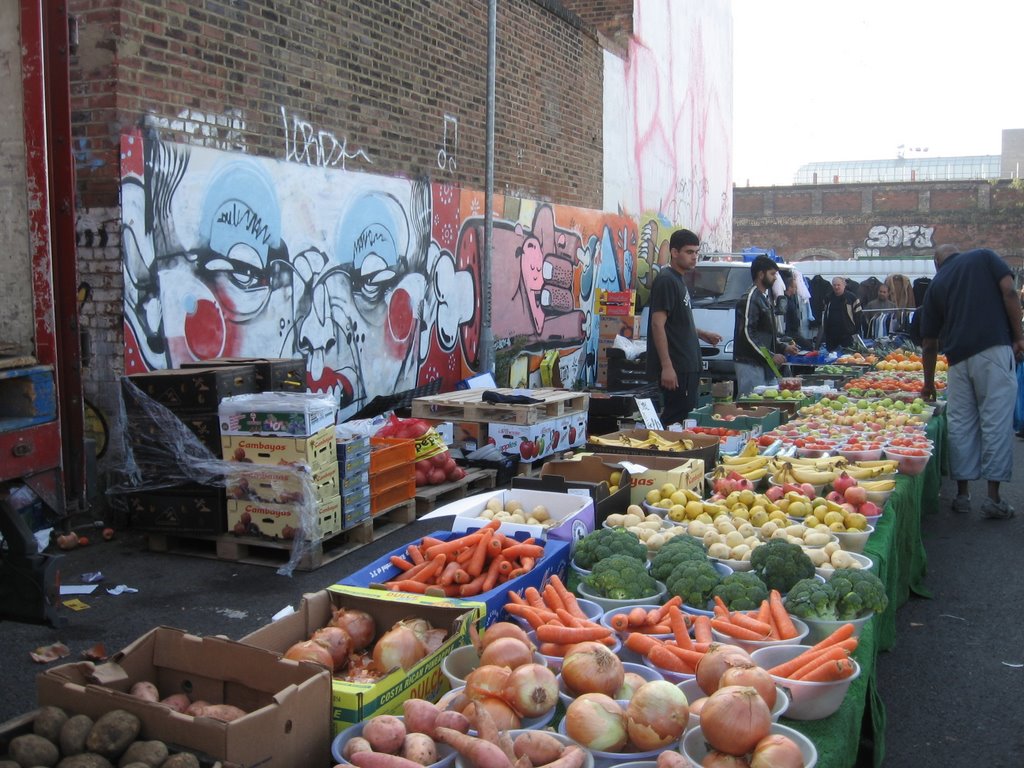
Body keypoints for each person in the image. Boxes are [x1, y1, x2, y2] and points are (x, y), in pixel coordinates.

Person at [920, 244, 1024, 519]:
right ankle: (993, 497)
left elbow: (929, 343)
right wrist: (1019, 336)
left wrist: (928, 383)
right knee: (995, 422)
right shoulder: (983, 256)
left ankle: (962, 494)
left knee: (960, 424)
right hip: (993, 350)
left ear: (936, 262)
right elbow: (1010, 292)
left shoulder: (937, 284)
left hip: (957, 361)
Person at [646, 229, 722, 426]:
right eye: (689, 252)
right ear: (674, 252)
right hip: (677, 368)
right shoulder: (666, 280)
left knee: (685, 419)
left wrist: (701, 334)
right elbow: (657, 324)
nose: (694, 257)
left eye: (696, 252)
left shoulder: (679, 280)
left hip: (688, 366)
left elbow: (676, 322)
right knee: (674, 419)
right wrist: (667, 366)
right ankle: (663, 454)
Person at [733, 256, 799, 396]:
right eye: (772, 274)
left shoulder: (763, 298)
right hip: (750, 364)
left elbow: (767, 334)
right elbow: (747, 334)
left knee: (768, 402)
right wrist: (770, 355)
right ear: (761, 274)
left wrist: (783, 347)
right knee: (752, 404)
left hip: (764, 364)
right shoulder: (750, 298)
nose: (775, 278)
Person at [816, 277, 863, 350]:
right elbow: (824, 315)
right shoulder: (828, 298)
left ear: (844, 285)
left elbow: (859, 316)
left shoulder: (852, 298)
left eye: (838, 285)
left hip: (847, 335)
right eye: (834, 285)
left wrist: (855, 331)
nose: (836, 287)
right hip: (831, 336)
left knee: (847, 357)